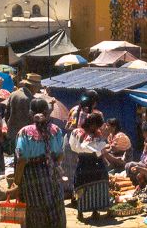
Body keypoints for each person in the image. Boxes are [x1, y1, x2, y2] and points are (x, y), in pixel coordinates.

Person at [14, 98, 66, 228]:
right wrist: (51, 163)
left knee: (34, 210)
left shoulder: (24, 132)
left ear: (31, 113)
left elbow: (22, 160)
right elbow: (60, 155)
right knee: (55, 207)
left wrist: (16, 182)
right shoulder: (56, 130)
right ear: (47, 112)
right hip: (52, 173)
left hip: (32, 176)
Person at [62, 90, 102, 198]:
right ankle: (83, 195)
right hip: (85, 144)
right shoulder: (96, 114)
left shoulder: (73, 110)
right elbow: (97, 132)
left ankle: (71, 192)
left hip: (70, 140)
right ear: (94, 102)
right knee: (83, 169)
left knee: (69, 168)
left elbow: (67, 127)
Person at [69, 112, 109, 219]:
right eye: (96, 126)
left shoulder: (81, 132)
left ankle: (91, 210)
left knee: (90, 185)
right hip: (89, 162)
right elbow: (96, 150)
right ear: (92, 124)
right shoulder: (82, 133)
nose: (97, 128)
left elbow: (74, 147)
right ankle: (85, 210)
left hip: (87, 162)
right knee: (85, 186)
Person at [5, 73, 41, 155]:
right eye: (38, 87)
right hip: (25, 136)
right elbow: (31, 120)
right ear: (33, 86)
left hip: (12, 133)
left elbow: (6, 113)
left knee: (17, 159)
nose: (38, 89)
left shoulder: (14, 94)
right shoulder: (30, 99)